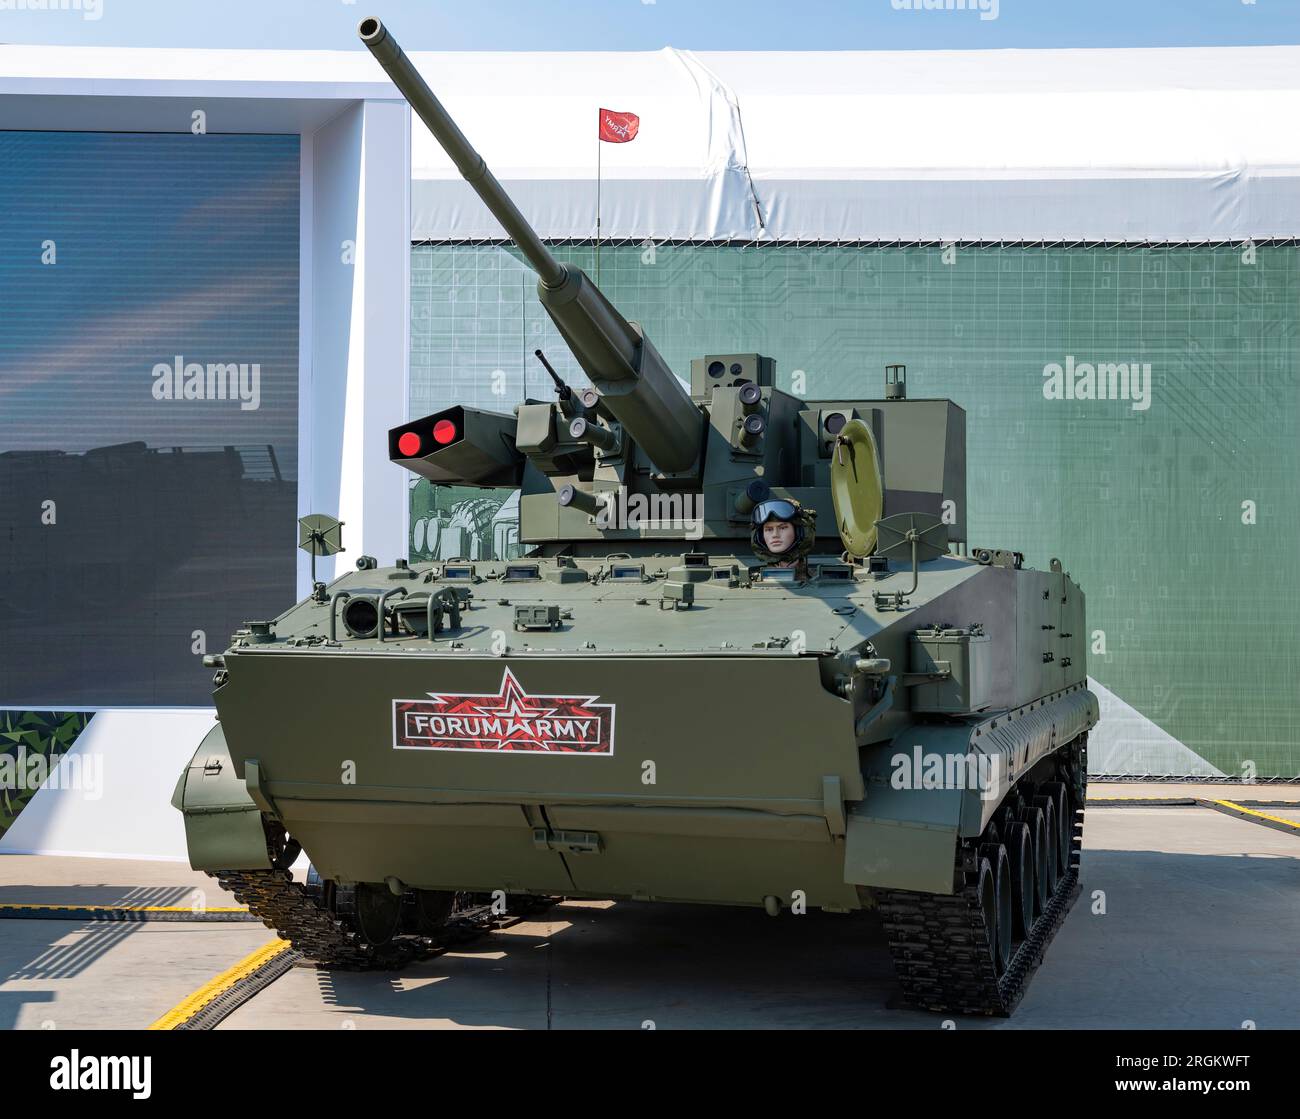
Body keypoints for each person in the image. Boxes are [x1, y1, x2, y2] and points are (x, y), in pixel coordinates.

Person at [750, 497, 817, 574]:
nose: (775, 535)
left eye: (783, 528)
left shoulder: (818, 578)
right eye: (769, 529)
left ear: (798, 532)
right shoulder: (751, 578)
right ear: (760, 536)